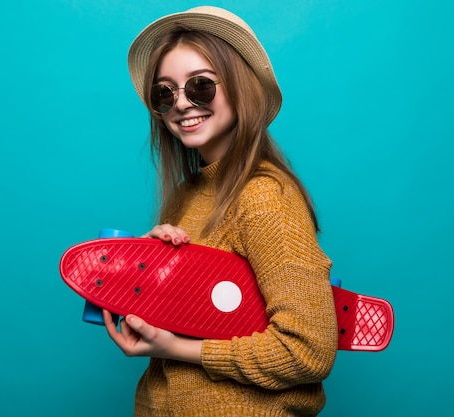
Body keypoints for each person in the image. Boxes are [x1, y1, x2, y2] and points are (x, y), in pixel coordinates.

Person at [102, 6, 338, 416]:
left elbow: (309, 351)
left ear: (240, 86)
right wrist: (146, 271)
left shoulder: (264, 197)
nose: (181, 104)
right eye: (164, 93)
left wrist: (174, 348)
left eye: (200, 86)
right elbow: (204, 313)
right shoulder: (185, 195)